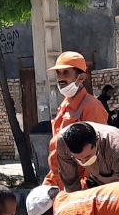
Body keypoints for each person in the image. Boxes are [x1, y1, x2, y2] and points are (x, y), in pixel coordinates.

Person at [45, 51, 109, 188]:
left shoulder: (92, 107)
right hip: (58, 182)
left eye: (66, 73)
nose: (60, 78)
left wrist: (83, 188)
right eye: (58, 73)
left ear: (81, 77)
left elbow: (95, 154)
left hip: (76, 186)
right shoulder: (64, 105)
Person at [55, 121, 119, 193]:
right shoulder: (63, 143)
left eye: (87, 157)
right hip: (98, 176)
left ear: (96, 142)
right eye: (78, 159)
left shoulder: (117, 148)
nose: (83, 162)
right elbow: (70, 182)